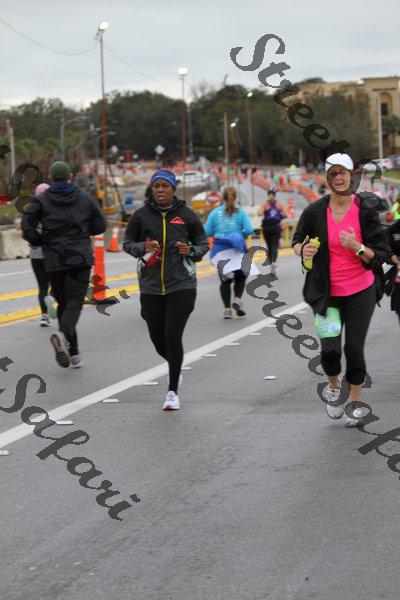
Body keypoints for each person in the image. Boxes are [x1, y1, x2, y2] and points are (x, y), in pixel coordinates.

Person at [292, 153, 391, 427]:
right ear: (327, 178)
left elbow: (381, 255)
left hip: (361, 290)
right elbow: (297, 241)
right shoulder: (314, 211)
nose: (338, 177)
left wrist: (357, 247)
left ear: (352, 175)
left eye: (342, 172)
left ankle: (355, 401)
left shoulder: (366, 210)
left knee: (354, 348)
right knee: (330, 351)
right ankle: (335, 385)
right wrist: (303, 249)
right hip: (326, 294)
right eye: (333, 173)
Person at [123, 169, 209, 411]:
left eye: (165, 186)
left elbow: (203, 243)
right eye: (156, 186)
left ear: (173, 189)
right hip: (150, 285)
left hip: (182, 284)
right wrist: (143, 247)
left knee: (172, 336)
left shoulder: (186, 215)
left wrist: (190, 251)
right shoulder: (140, 216)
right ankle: (175, 366)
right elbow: (127, 243)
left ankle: (172, 392)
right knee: (157, 338)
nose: (160, 190)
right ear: (152, 189)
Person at [22, 161, 107, 368]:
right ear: (70, 176)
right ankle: (63, 334)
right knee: (75, 301)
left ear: (51, 178)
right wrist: (83, 232)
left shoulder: (41, 200)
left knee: (62, 303)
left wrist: (40, 240)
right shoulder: (85, 197)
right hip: (79, 258)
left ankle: (74, 353)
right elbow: (100, 225)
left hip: (54, 259)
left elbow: (27, 225)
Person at [205, 186, 254, 319]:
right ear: (235, 197)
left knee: (224, 280)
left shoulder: (214, 213)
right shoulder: (241, 213)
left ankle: (227, 309)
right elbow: (249, 229)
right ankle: (237, 299)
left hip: (220, 250)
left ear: (223, 197)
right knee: (241, 277)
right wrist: (240, 236)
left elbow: (208, 231)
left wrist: (219, 232)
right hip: (236, 249)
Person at [28, 183, 57, 327]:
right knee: (57, 283)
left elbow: (27, 232)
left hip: (35, 256)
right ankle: (51, 298)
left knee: (42, 286)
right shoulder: (54, 211)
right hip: (51, 254)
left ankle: (44, 316)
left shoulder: (30, 211)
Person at [257, 188, 288, 276]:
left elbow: (259, 213)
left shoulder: (265, 204)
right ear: (275, 195)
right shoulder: (279, 205)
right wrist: (279, 215)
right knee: (274, 245)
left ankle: (271, 263)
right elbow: (286, 215)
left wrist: (265, 211)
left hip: (266, 227)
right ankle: (274, 261)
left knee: (269, 246)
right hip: (275, 226)